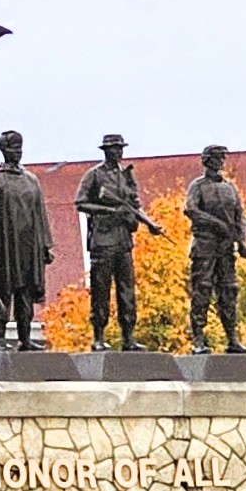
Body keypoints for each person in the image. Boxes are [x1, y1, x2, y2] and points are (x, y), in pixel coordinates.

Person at [73, 134, 163, 352]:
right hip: (103, 241)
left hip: (123, 241)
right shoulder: (94, 175)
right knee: (101, 291)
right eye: (114, 148)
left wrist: (150, 224)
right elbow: (81, 203)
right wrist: (109, 210)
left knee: (127, 291)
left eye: (120, 148)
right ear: (106, 151)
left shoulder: (127, 175)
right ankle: (99, 336)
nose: (118, 152)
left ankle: (128, 337)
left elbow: (134, 206)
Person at [0, 130, 55, 350]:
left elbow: (40, 214)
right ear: (4, 151)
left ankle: (25, 338)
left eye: (19, 149)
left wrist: (45, 245)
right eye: (13, 149)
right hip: (3, 247)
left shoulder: (31, 181)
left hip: (28, 247)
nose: (17, 153)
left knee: (25, 293)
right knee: (2, 290)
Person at [185, 144, 246, 354]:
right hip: (205, 246)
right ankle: (198, 339)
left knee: (229, 291)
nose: (221, 161)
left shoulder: (230, 188)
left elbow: (240, 216)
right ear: (206, 160)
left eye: (222, 158)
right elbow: (191, 210)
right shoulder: (197, 186)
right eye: (216, 157)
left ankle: (232, 339)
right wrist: (216, 224)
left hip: (226, 248)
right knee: (202, 290)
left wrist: (242, 241)